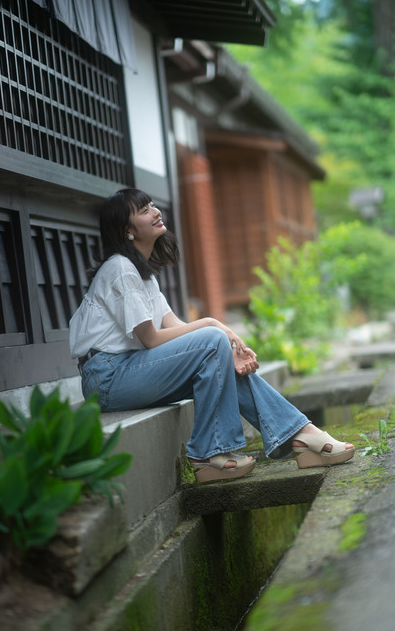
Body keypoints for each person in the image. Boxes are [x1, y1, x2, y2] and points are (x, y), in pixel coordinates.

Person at [69, 188, 354, 483]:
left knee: (215, 351)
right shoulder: (120, 268)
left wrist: (223, 347)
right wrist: (215, 325)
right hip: (107, 378)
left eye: (153, 205)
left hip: (130, 371)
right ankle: (216, 451)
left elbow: (176, 327)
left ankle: (298, 434)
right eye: (144, 210)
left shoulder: (144, 276)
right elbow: (152, 339)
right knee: (211, 340)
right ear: (126, 230)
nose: (156, 212)